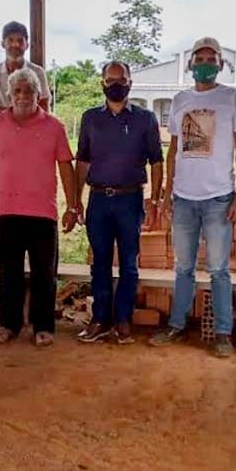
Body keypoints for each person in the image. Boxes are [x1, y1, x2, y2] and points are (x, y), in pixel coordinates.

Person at [149, 37, 236, 358]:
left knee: (219, 269)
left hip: (219, 197)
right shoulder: (180, 99)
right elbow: (173, 151)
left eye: (212, 58)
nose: (205, 63)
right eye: (200, 58)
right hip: (183, 198)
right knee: (183, 267)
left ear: (220, 64)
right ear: (191, 64)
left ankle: (223, 333)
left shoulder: (232, 98)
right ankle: (177, 325)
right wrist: (166, 195)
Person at [0, 67, 77, 347]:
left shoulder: (54, 126)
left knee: (44, 272)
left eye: (29, 90)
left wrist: (72, 205)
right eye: (17, 90)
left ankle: (43, 326)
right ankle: (8, 323)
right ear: (10, 94)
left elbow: (66, 166)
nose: (23, 96)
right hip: (7, 210)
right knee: (9, 271)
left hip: (43, 212)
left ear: (38, 94)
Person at [76, 60, 164, 344]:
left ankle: (123, 320)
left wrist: (155, 201)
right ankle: (100, 318)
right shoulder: (90, 118)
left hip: (131, 199)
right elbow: (83, 161)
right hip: (99, 200)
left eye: (121, 79)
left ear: (130, 83)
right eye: (110, 79)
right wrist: (75, 200)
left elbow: (157, 161)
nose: (116, 84)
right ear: (102, 83)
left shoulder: (146, 119)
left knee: (129, 263)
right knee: (99, 261)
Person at [0, 21, 51, 118]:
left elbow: (44, 107)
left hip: (33, 130)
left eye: (20, 41)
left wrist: (3, 111)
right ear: (3, 44)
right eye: (10, 40)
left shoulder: (38, 72)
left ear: (27, 45)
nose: (15, 45)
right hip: (3, 130)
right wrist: (26, 111)